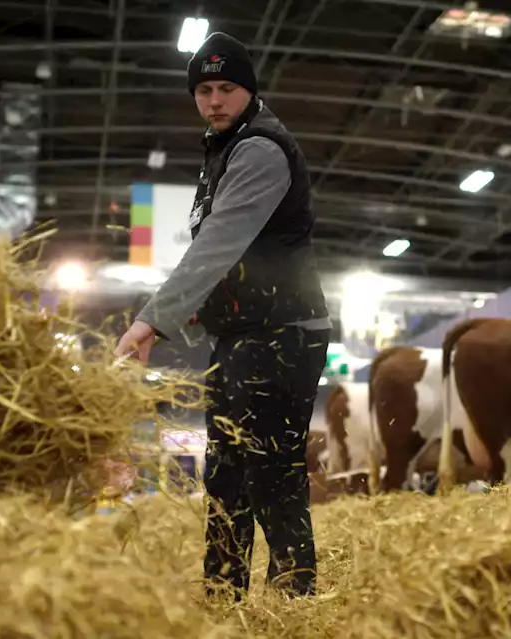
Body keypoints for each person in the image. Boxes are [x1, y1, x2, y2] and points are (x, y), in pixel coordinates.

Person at [113, 31, 331, 601]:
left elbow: (219, 244)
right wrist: (206, 305)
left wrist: (152, 319)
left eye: (226, 88)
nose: (214, 100)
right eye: (204, 90)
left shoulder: (258, 148)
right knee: (226, 478)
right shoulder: (225, 149)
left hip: (282, 332)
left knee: (272, 474)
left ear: (247, 90)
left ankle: (295, 605)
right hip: (243, 332)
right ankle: (222, 602)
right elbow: (231, 253)